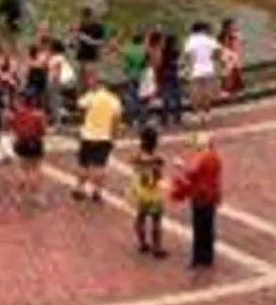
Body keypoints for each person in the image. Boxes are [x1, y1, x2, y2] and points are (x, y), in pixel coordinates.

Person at [169, 132, 222, 268]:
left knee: (199, 227)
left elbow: (191, 171)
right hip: (211, 195)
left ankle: (197, 258)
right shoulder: (215, 157)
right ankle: (208, 257)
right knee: (208, 227)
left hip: (200, 196)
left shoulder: (202, 157)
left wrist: (180, 164)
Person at [74, 83, 124, 202]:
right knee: (100, 165)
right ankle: (97, 191)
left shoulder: (92, 96)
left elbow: (80, 105)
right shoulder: (114, 100)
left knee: (84, 164)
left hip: (87, 135)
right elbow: (116, 121)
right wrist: (114, 136)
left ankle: (80, 188)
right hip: (104, 137)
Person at [130, 128, 168, 258]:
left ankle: (142, 243)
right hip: (153, 192)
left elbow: (134, 165)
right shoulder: (157, 158)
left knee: (140, 216)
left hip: (140, 191)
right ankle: (157, 247)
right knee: (156, 220)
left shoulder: (137, 156)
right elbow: (159, 175)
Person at [181, 20, 220, 123]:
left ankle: (196, 114)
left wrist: (186, 67)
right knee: (206, 92)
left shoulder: (191, 40)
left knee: (195, 93)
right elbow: (217, 53)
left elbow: (187, 55)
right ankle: (207, 113)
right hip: (208, 68)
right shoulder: (210, 39)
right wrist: (211, 59)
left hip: (195, 69)